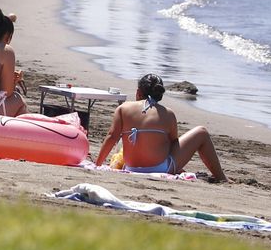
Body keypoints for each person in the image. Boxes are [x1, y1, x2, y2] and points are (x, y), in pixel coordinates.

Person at [96, 73, 227, 181]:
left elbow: (111, 137)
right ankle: (221, 177)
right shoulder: (168, 113)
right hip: (161, 168)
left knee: (123, 139)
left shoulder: (123, 108)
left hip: (130, 167)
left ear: (138, 92)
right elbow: (173, 144)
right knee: (201, 132)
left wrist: (97, 165)